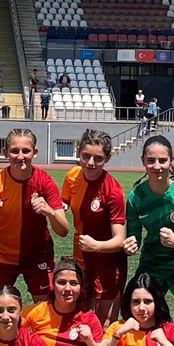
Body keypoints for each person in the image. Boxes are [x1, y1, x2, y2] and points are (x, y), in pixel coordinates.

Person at [0, 127, 67, 322]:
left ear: (35, 153)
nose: (20, 156)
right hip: (2, 256)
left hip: (37, 258)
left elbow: (63, 230)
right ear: (5, 152)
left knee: (48, 314)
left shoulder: (45, 182)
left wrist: (49, 211)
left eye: (26, 151)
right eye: (15, 151)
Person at [123, 134, 174, 339]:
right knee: (138, 325)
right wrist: (131, 244)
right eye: (151, 160)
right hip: (152, 266)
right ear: (143, 160)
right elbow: (134, 235)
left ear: (171, 161)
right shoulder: (136, 197)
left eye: (163, 160)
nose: (157, 166)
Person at [61, 129, 127, 323]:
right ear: (78, 152)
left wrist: (96, 246)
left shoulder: (112, 191)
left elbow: (119, 240)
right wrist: (61, 205)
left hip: (107, 263)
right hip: (80, 259)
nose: (90, 163)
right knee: (81, 318)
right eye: (86, 156)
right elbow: (65, 199)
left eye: (98, 158)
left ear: (107, 158)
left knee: (105, 324)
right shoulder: (72, 176)